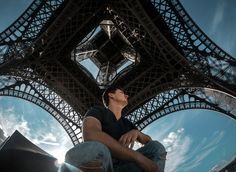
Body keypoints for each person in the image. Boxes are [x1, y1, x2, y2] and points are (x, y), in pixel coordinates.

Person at [64, 86, 167, 172]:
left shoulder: (127, 124)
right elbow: (91, 135)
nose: (127, 95)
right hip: (104, 162)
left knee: (157, 147)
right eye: (122, 92)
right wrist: (137, 157)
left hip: (124, 166)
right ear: (111, 95)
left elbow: (149, 142)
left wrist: (137, 133)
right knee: (94, 148)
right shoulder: (98, 111)